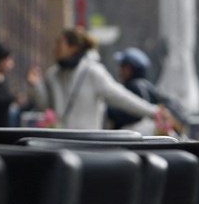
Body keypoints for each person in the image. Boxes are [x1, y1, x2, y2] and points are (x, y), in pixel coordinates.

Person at [27, 28, 178, 131]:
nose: (55, 48)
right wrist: (36, 86)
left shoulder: (92, 72)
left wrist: (152, 111)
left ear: (73, 48)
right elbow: (45, 106)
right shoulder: (52, 74)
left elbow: (120, 96)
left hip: (89, 142)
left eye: (60, 43)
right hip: (59, 143)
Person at [106, 47, 158, 130]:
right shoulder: (148, 86)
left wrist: (108, 110)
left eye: (124, 67)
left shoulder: (134, 86)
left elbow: (132, 114)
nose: (120, 70)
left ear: (133, 69)